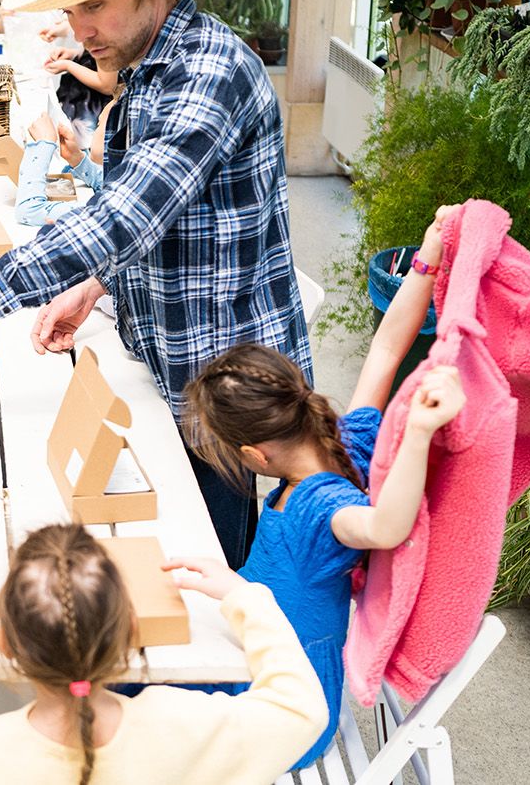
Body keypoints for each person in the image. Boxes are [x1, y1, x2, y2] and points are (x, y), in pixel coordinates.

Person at [0, 0, 312, 570]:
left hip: (222, 386)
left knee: (212, 573)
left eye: (97, 5)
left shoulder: (207, 74)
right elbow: (163, 208)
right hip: (167, 357)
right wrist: (96, 280)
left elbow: (124, 214)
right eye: (72, 9)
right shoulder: (152, 59)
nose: (82, 30)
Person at [182, 206, 465, 769]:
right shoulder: (348, 440)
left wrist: (420, 432)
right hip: (260, 661)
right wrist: (426, 257)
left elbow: (386, 526)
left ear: (255, 456)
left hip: (286, 709)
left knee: (126, 704)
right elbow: (385, 350)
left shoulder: (325, 507)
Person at [0, 525, 326, 784]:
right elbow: (302, 709)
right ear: (130, 631)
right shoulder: (185, 720)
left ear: (5, 644)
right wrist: (245, 598)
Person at [14, 112, 103, 228]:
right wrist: (78, 159)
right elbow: (108, 181)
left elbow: (29, 210)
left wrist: (44, 143)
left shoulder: (99, 211)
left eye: (99, 124)